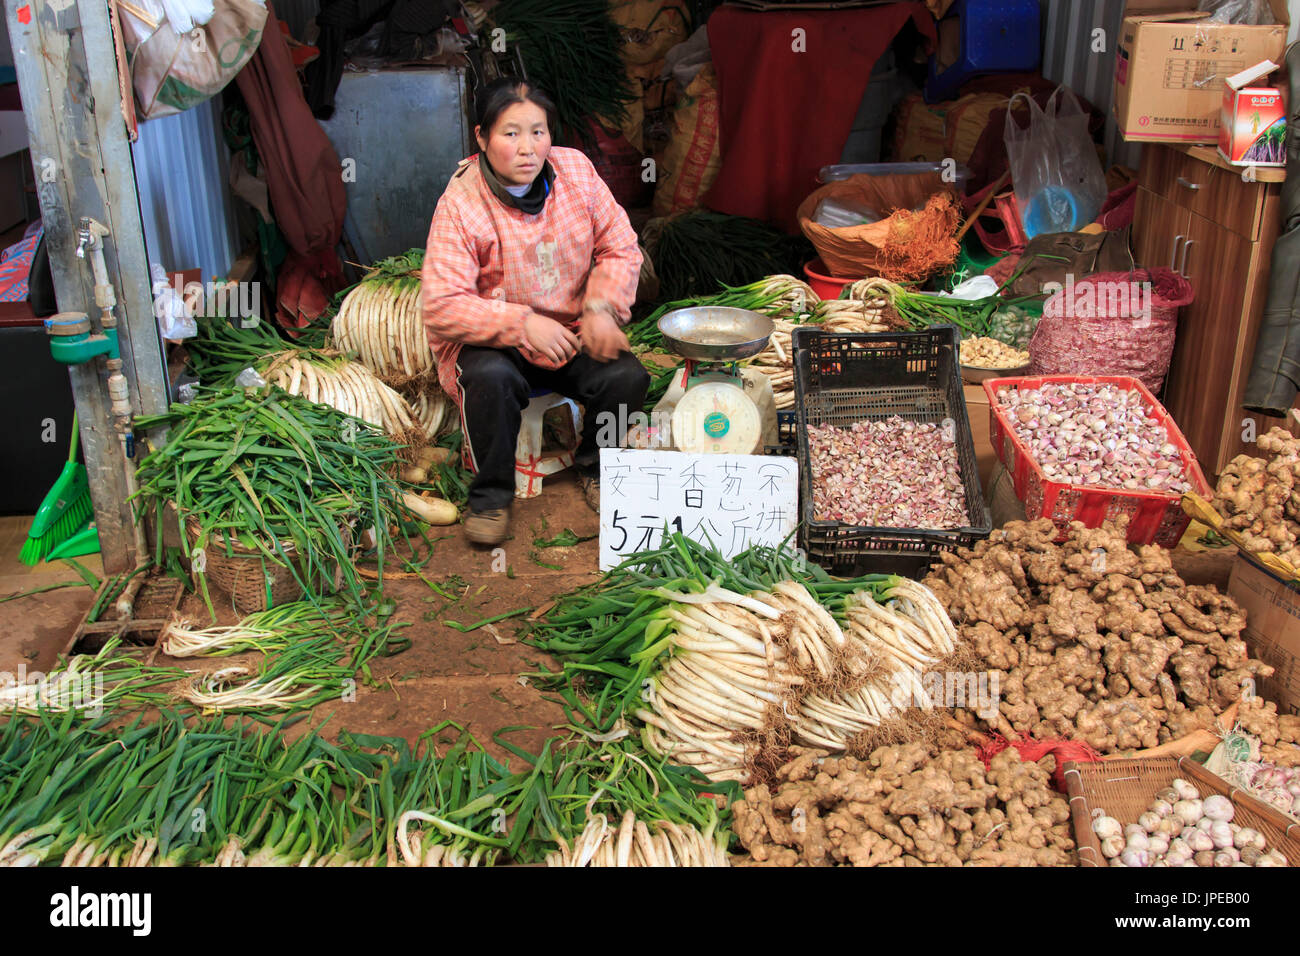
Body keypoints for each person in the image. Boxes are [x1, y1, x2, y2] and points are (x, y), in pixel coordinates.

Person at [421, 78, 648, 547]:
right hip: (492, 339)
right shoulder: (461, 204)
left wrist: (602, 308)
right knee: (490, 379)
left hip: (569, 332)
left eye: (538, 131)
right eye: (510, 134)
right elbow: (442, 305)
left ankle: (595, 465)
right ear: (482, 138)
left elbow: (620, 246)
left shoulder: (578, 172)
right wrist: (521, 323)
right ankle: (490, 497)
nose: (528, 148)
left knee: (627, 377)